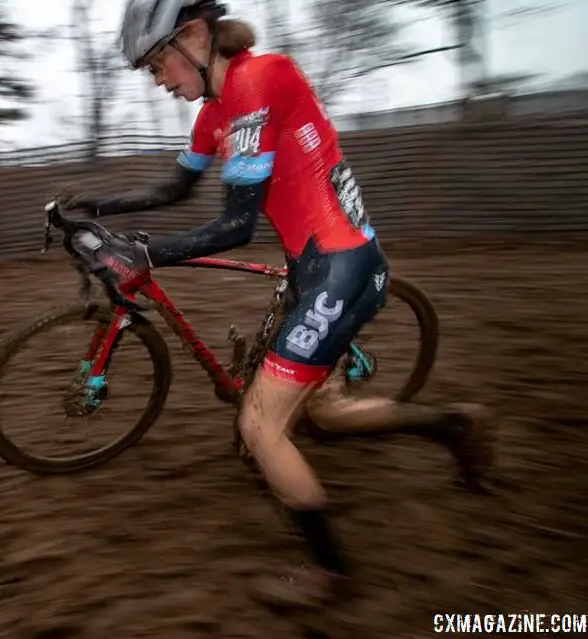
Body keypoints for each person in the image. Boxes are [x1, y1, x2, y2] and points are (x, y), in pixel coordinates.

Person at [56, 0, 494, 608]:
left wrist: (144, 256)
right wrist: (100, 209)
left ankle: (332, 574)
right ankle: (453, 426)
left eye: (158, 65)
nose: (159, 81)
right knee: (327, 418)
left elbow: (236, 225)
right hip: (319, 268)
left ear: (193, 35)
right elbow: (176, 187)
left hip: (338, 271)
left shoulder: (259, 80)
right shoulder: (217, 110)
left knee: (260, 426)